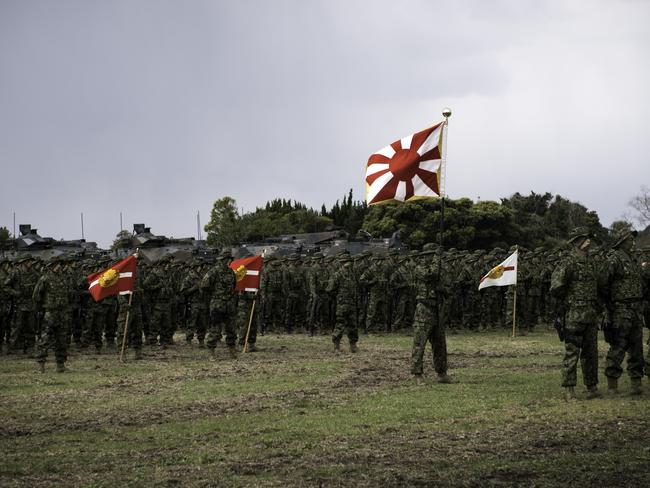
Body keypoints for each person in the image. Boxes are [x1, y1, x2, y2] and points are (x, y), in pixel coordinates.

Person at [550, 227, 606, 400]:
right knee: (572, 351)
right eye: (584, 239)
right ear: (576, 242)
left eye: (589, 238)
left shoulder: (592, 262)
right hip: (574, 314)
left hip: (590, 313)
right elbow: (556, 287)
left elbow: (599, 287)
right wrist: (570, 299)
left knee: (591, 352)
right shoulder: (568, 262)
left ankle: (592, 386)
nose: (588, 241)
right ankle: (569, 389)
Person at [603, 230, 644, 395]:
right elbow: (604, 283)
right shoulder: (614, 259)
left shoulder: (633, 259)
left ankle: (636, 382)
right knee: (618, 346)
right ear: (621, 242)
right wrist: (610, 305)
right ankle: (612, 385)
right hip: (621, 309)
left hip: (636, 309)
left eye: (634, 240)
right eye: (630, 240)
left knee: (636, 347)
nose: (633, 243)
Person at [410, 244, 452, 383]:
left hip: (437, 309)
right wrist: (437, 258)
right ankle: (417, 374)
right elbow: (431, 274)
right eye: (432, 255)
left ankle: (442, 373)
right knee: (419, 344)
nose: (435, 258)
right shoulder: (420, 268)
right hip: (424, 310)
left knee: (440, 344)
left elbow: (446, 283)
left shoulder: (439, 267)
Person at [32, 257, 71, 372]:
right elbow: (36, 296)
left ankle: (60, 365)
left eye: (60, 264)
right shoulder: (45, 278)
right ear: (52, 265)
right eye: (58, 264)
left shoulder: (63, 278)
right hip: (50, 313)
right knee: (45, 339)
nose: (60, 266)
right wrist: (42, 308)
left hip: (62, 313)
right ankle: (41, 365)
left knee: (61, 339)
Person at [202, 249, 237, 359]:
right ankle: (211, 351)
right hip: (217, 304)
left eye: (230, 260)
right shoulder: (213, 272)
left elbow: (234, 286)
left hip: (229, 304)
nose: (229, 262)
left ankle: (232, 350)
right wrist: (213, 297)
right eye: (228, 259)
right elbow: (204, 286)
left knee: (231, 328)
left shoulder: (231, 272)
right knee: (215, 329)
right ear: (223, 260)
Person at [326, 252, 359, 353]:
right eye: (347, 262)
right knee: (340, 324)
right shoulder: (337, 275)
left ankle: (353, 345)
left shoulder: (352, 274)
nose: (349, 264)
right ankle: (336, 346)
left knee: (353, 325)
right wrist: (338, 296)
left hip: (351, 303)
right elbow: (330, 289)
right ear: (343, 263)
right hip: (342, 304)